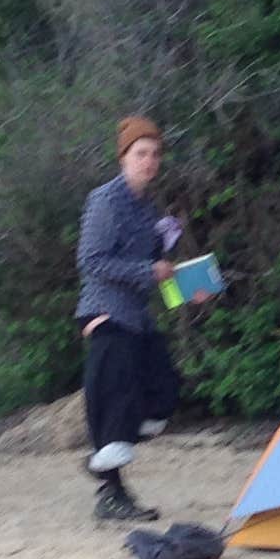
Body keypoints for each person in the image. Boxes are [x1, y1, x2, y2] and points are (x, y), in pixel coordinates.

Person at [76, 114, 204, 523]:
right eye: (140, 153)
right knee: (115, 403)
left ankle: (103, 465)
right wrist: (149, 273)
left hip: (139, 318)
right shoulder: (105, 200)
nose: (149, 161)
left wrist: (186, 289)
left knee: (164, 389)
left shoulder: (150, 208)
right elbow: (91, 261)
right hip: (106, 314)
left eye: (154, 154)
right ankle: (110, 493)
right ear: (124, 157)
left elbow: (156, 267)